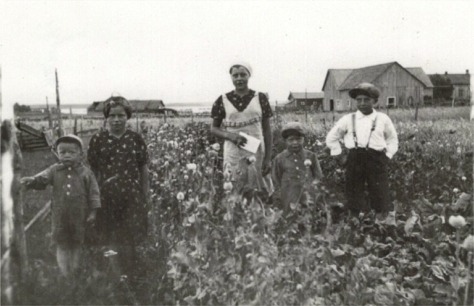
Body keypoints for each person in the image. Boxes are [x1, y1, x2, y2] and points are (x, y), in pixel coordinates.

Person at [21, 135, 100, 279]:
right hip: (60, 217)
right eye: (62, 152)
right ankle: (65, 273)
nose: (67, 155)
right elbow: (42, 180)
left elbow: (94, 194)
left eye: (71, 152)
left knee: (77, 243)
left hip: (79, 217)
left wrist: (93, 213)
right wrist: (31, 181)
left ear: (80, 155)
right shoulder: (54, 170)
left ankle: (75, 271)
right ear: (57, 153)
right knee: (62, 243)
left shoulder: (86, 173)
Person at [87, 95, 149, 277]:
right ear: (106, 117)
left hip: (131, 195)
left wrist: (146, 195)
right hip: (106, 195)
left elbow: (143, 169)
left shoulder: (135, 139)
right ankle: (112, 272)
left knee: (129, 233)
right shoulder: (98, 140)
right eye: (112, 115)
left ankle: (130, 271)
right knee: (109, 232)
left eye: (121, 115)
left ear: (127, 116)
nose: (116, 120)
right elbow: (93, 172)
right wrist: (93, 199)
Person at [325, 82, 398, 216]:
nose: (362, 103)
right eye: (359, 100)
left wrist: (388, 155)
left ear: (375, 101)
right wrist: (339, 154)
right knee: (353, 190)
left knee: (379, 190)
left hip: (376, 158)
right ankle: (355, 220)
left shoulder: (383, 119)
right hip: (355, 158)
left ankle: (380, 220)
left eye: (366, 100)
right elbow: (331, 138)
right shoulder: (348, 119)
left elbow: (392, 139)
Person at [210, 62, 273, 194]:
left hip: (256, 151)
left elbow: (267, 130)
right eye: (235, 75)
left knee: (258, 188)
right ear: (231, 78)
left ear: (249, 76)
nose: (239, 78)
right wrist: (231, 136)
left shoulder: (260, 98)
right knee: (234, 186)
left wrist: (268, 158)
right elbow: (214, 128)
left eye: (243, 75)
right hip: (233, 151)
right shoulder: (222, 100)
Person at [272, 122, 323, 211]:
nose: (295, 143)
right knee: (290, 217)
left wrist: (311, 186)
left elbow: (318, 176)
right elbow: (277, 177)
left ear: (303, 139)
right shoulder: (280, 158)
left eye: (298, 139)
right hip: (289, 195)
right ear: (285, 141)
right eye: (291, 140)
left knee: (308, 216)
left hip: (308, 194)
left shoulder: (311, 156)